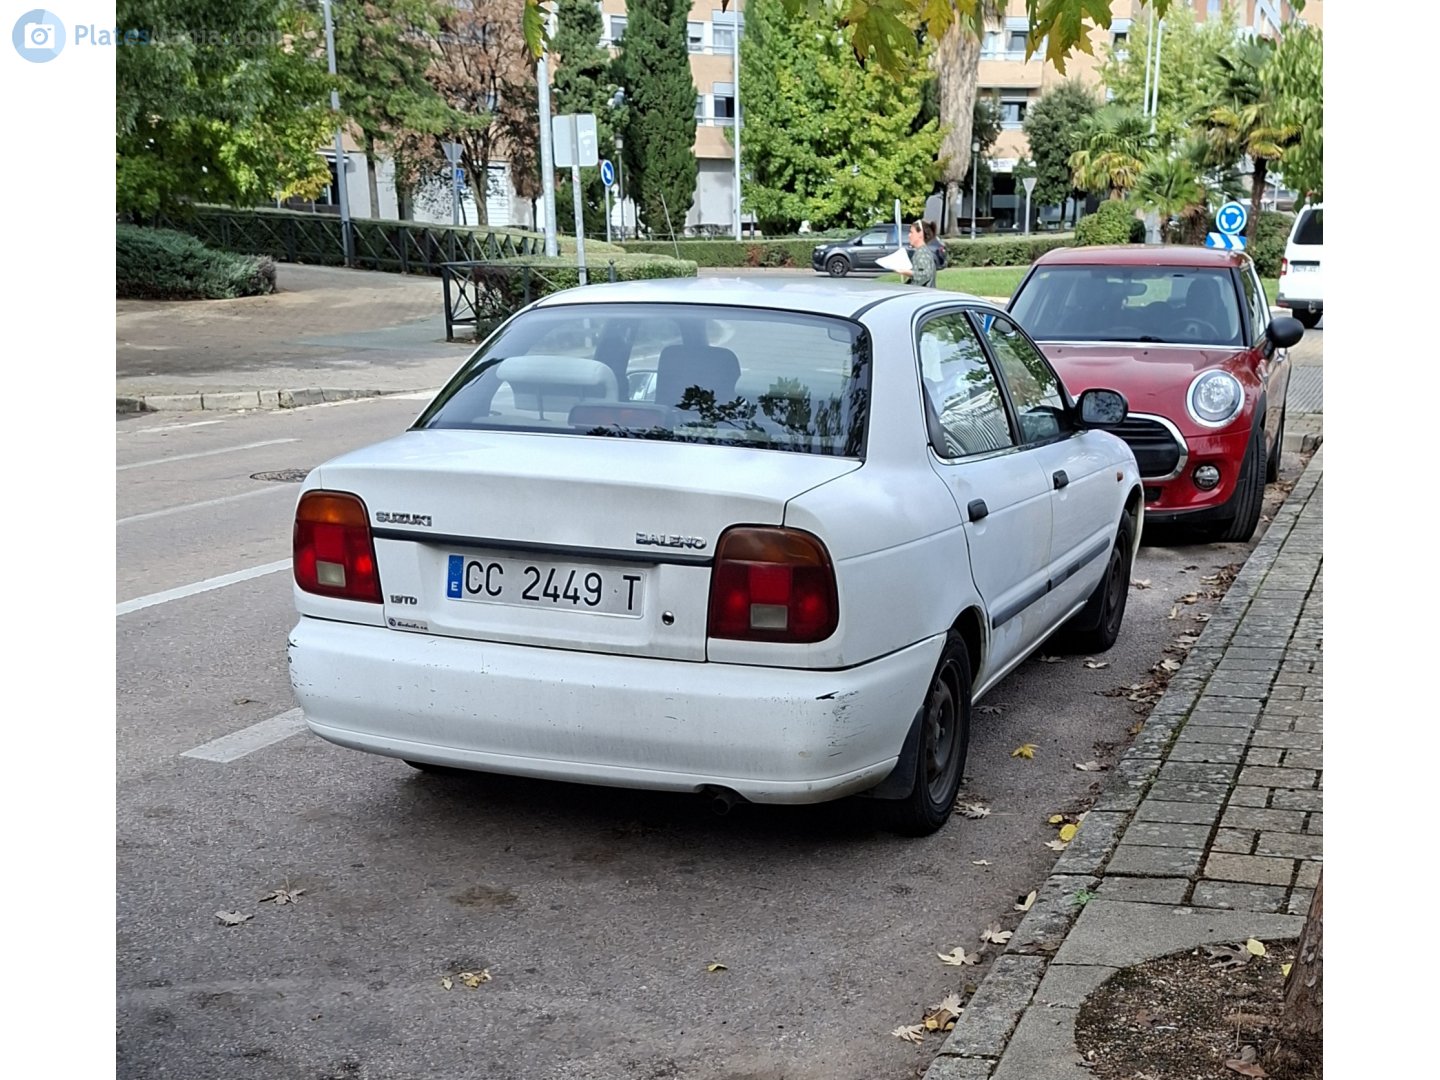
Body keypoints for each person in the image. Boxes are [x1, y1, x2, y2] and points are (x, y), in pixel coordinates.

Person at [899, 220, 938, 288]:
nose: (909, 235)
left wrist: (905, 271)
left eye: (911, 232)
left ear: (920, 234)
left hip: (923, 296)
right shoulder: (922, 251)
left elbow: (925, 275)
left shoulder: (922, 253)